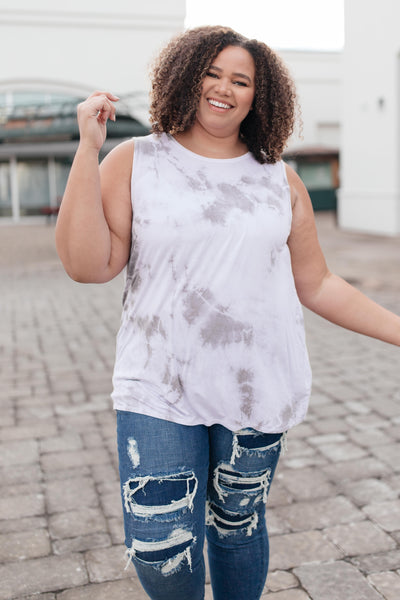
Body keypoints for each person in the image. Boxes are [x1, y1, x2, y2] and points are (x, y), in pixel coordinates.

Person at [55, 25, 400, 600]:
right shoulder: (135, 160)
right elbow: (88, 264)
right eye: (212, 73)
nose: (224, 88)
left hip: (257, 388)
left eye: (241, 80)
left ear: (257, 97)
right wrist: (88, 149)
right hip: (158, 387)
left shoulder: (278, 179)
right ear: (185, 77)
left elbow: (318, 284)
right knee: (160, 544)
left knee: (236, 525)